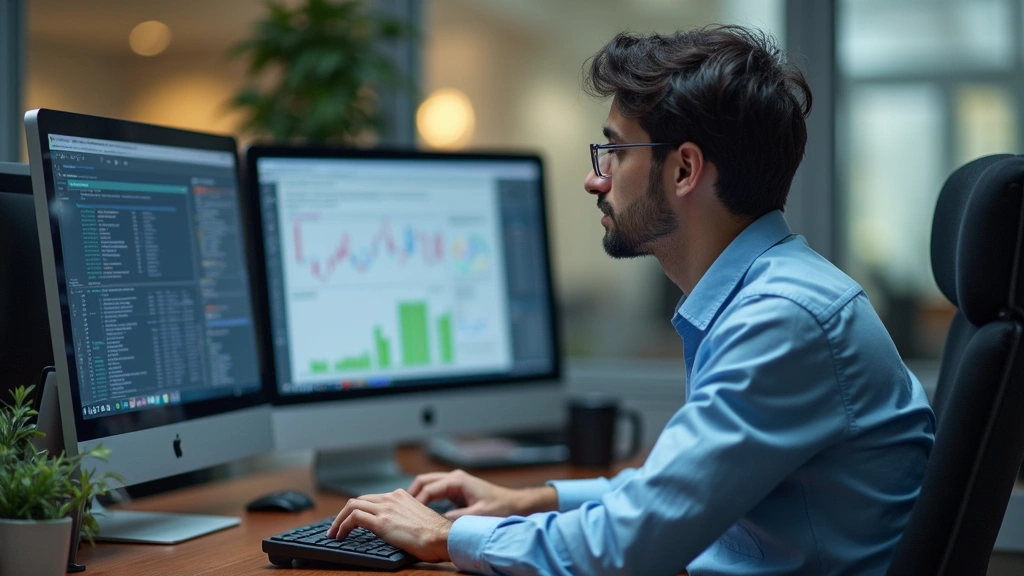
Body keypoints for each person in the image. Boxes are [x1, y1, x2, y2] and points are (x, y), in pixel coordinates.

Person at [327, 25, 935, 575]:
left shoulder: (782, 319)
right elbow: (678, 491)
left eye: (614, 152)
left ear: (683, 170)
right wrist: (533, 499)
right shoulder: (770, 297)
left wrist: (445, 538)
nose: (596, 179)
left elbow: (631, 545)